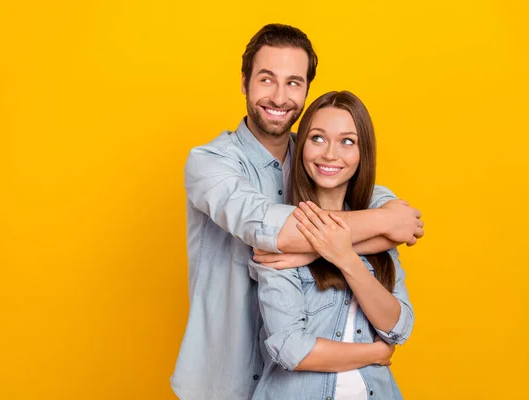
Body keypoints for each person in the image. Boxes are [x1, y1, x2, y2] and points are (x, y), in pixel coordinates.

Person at [171, 24, 424, 400]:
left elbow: (401, 222)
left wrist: (317, 249)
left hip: (302, 384)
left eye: (293, 82)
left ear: (306, 88)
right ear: (244, 82)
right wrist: (382, 222)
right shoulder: (210, 163)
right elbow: (279, 232)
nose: (279, 96)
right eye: (266, 79)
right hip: (223, 380)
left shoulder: (319, 159)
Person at [250, 91, 413, 400]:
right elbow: (291, 349)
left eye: (347, 141)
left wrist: (345, 257)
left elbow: (399, 325)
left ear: (363, 152)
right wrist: (374, 354)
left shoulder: (379, 228)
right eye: (317, 138)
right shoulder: (279, 234)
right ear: (301, 148)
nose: (330, 155)